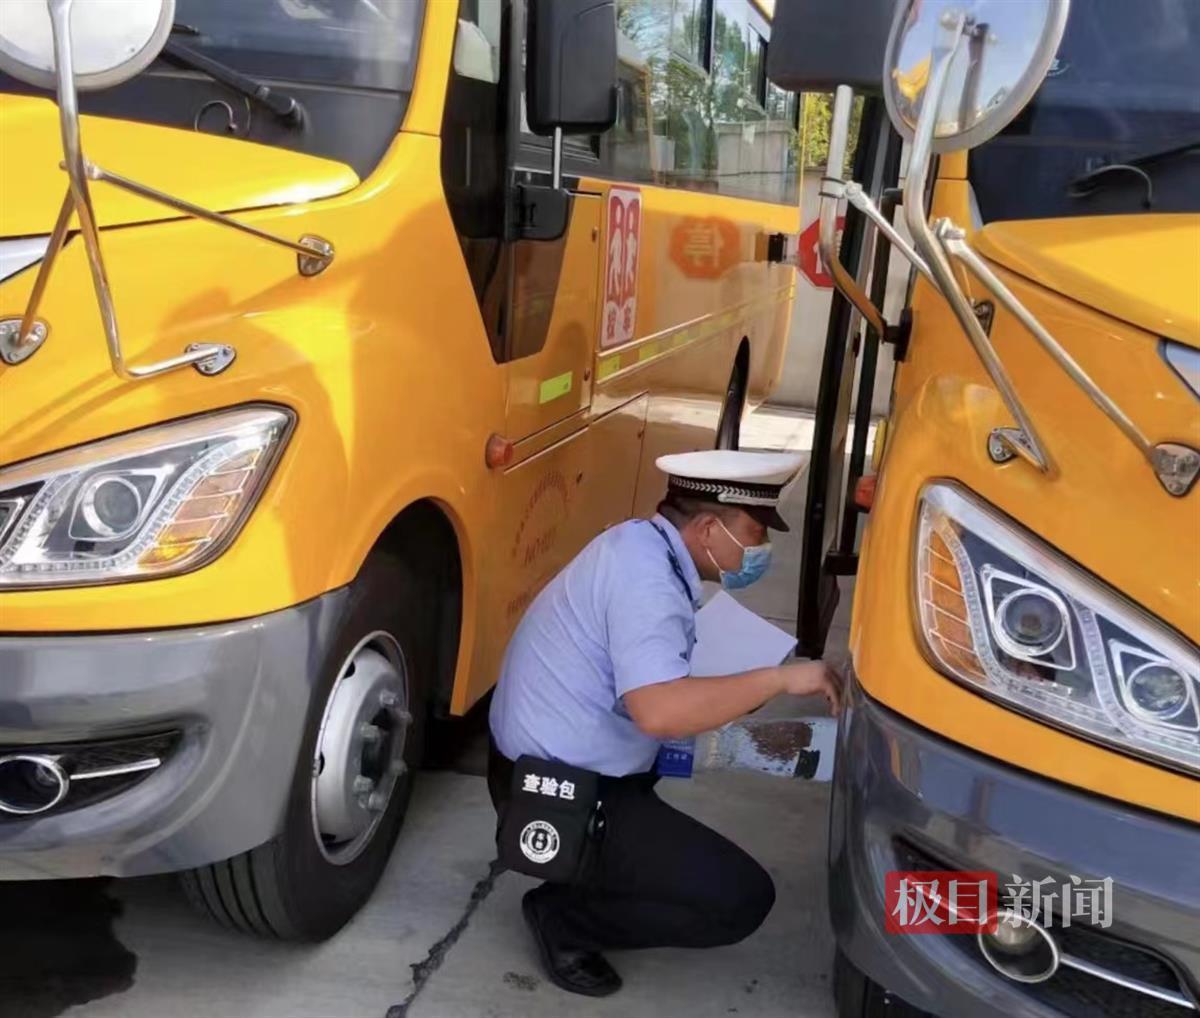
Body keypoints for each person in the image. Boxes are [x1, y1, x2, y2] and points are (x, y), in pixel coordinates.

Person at [488, 449, 842, 997]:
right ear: (706, 527)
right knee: (740, 900)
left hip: (563, 759)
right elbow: (660, 713)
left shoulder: (641, 544)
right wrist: (779, 681)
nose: (760, 550)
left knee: (703, 723)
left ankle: (601, 865)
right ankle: (563, 918)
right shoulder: (645, 581)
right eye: (753, 533)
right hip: (554, 792)